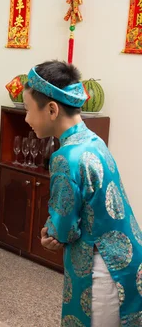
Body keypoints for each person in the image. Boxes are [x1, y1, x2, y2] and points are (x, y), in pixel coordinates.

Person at [23, 60, 142, 327]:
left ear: (52, 109)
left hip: (101, 267)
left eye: (29, 110)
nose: (27, 118)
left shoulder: (66, 157)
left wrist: (50, 234)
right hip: (127, 258)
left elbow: (64, 229)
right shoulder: (93, 140)